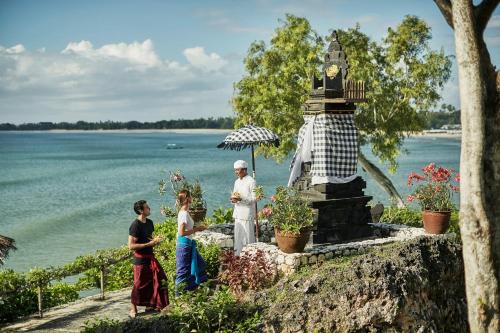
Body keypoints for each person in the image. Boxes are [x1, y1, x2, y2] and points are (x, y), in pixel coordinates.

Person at [128, 200, 169, 318]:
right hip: (140, 259)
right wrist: (149, 244)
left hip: (150, 257)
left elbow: (149, 239)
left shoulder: (150, 222)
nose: (149, 208)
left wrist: (156, 240)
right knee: (138, 284)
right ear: (141, 210)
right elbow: (131, 246)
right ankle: (133, 309)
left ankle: (151, 305)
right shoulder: (135, 225)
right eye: (147, 207)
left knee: (160, 280)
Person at [175, 190, 208, 292]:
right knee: (182, 271)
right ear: (187, 198)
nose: (192, 197)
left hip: (188, 243)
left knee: (200, 265)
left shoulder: (185, 212)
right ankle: (178, 295)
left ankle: (191, 289)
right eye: (190, 196)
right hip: (184, 244)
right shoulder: (184, 213)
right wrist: (196, 229)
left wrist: (197, 227)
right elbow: (181, 232)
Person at [230, 160, 257, 255]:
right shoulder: (236, 182)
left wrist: (241, 199)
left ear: (244, 170)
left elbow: (254, 198)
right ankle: (237, 257)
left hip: (247, 214)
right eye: (235, 170)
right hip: (237, 214)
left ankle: (250, 258)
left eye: (238, 170)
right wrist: (233, 200)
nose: (236, 172)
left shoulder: (251, 181)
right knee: (238, 238)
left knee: (248, 238)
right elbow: (234, 195)